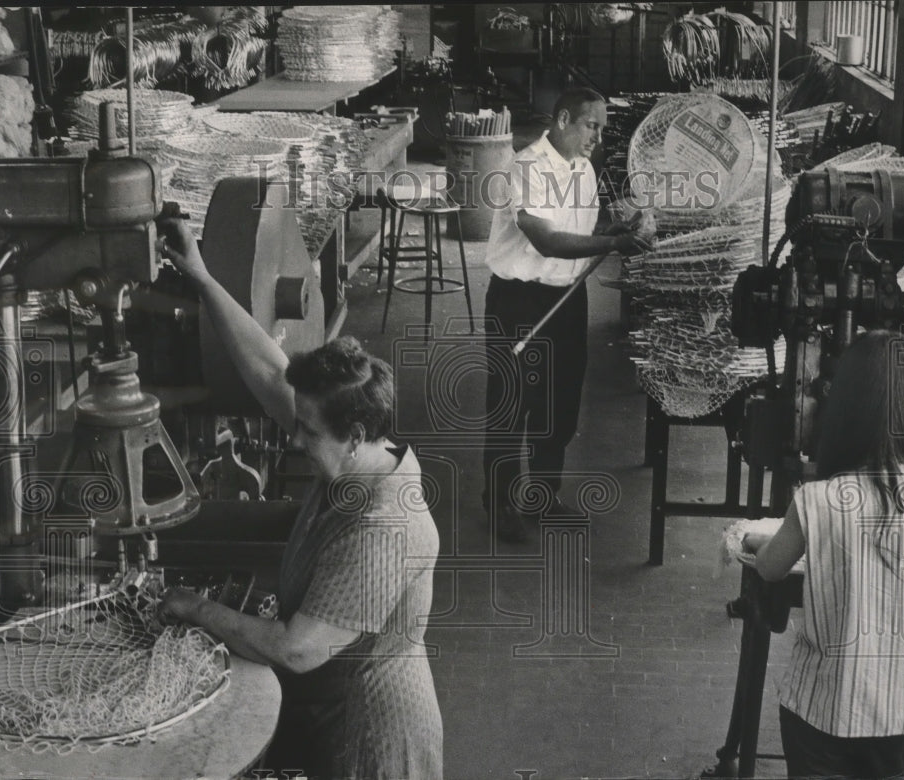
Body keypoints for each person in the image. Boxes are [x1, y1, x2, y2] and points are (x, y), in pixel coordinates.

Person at [157, 218, 443, 779]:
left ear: (354, 435)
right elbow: (271, 371)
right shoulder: (355, 450)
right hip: (327, 705)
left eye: (306, 432)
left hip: (370, 734)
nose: (293, 440)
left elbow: (298, 649)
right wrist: (203, 279)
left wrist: (197, 608)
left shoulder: (384, 526)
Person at [746, 330, 904, 780]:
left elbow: (769, 568)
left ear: (843, 407)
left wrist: (752, 540)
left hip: (825, 710)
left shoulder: (818, 500)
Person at [481, 86, 652, 542]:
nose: (598, 137)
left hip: (568, 297)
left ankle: (542, 497)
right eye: (591, 125)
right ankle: (500, 504)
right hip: (519, 299)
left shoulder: (583, 169)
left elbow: (577, 230)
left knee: (559, 405)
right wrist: (612, 243)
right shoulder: (527, 167)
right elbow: (547, 240)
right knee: (511, 405)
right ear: (562, 120)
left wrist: (610, 229)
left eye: (602, 129)